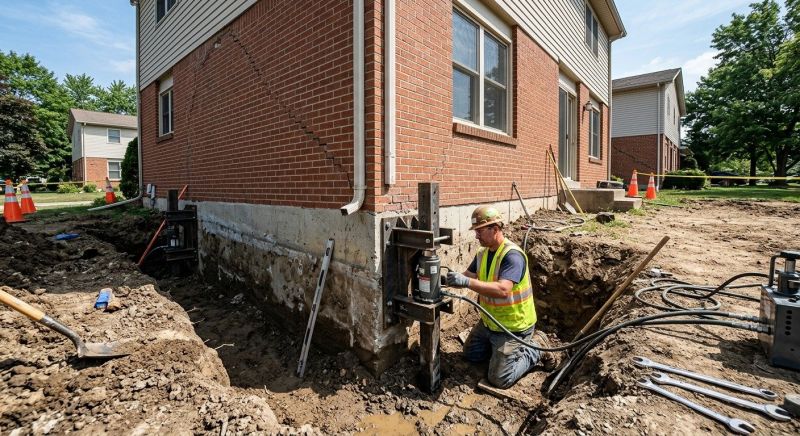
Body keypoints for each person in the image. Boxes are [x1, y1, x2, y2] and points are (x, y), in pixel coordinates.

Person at [446, 205, 553, 389]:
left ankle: (536, 347)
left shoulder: (512, 256)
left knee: (499, 379)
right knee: (471, 354)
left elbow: (503, 289)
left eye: (479, 231)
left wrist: (465, 283)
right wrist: (438, 279)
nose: (476, 236)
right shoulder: (482, 253)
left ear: (495, 229)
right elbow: (468, 276)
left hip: (513, 327)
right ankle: (499, 352)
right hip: (490, 322)